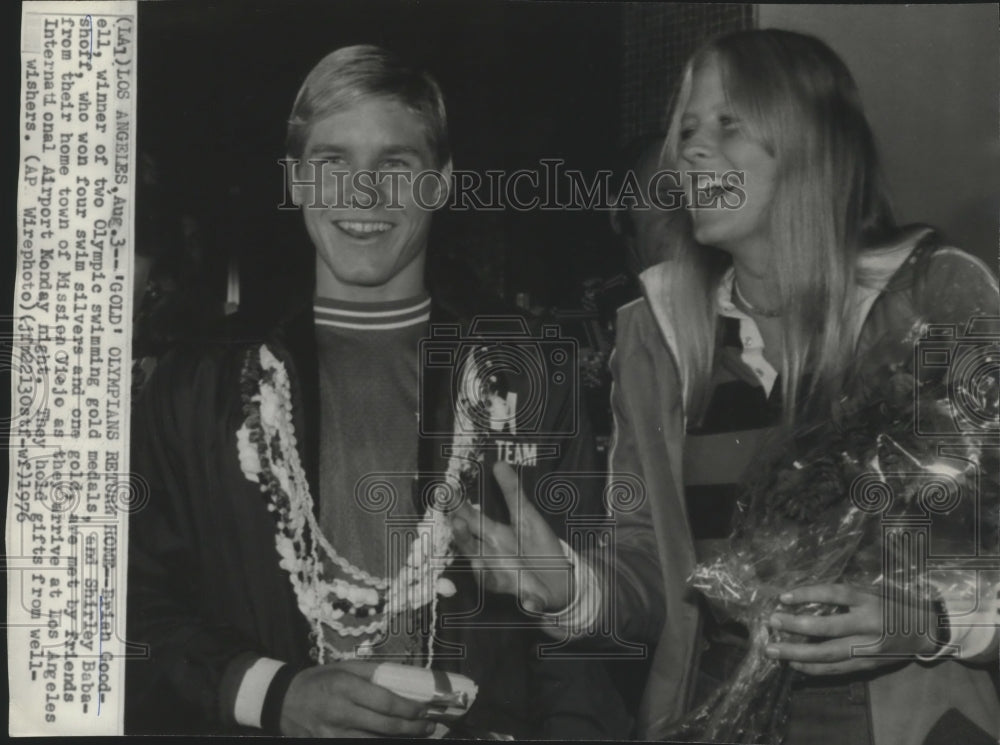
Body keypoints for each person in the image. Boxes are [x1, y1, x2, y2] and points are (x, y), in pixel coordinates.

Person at [451, 28, 999, 744]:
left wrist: (929, 623)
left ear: (812, 139)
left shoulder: (939, 305)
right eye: (686, 129)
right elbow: (657, 569)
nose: (689, 150)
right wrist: (573, 588)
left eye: (726, 123)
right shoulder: (656, 336)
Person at [126, 44, 631, 738]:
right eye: (333, 163)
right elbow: (134, 603)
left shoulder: (530, 376)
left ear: (442, 182)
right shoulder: (198, 380)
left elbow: (577, 651)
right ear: (296, 181)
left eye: (396, 166)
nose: (363, 195)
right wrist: (275, 694)